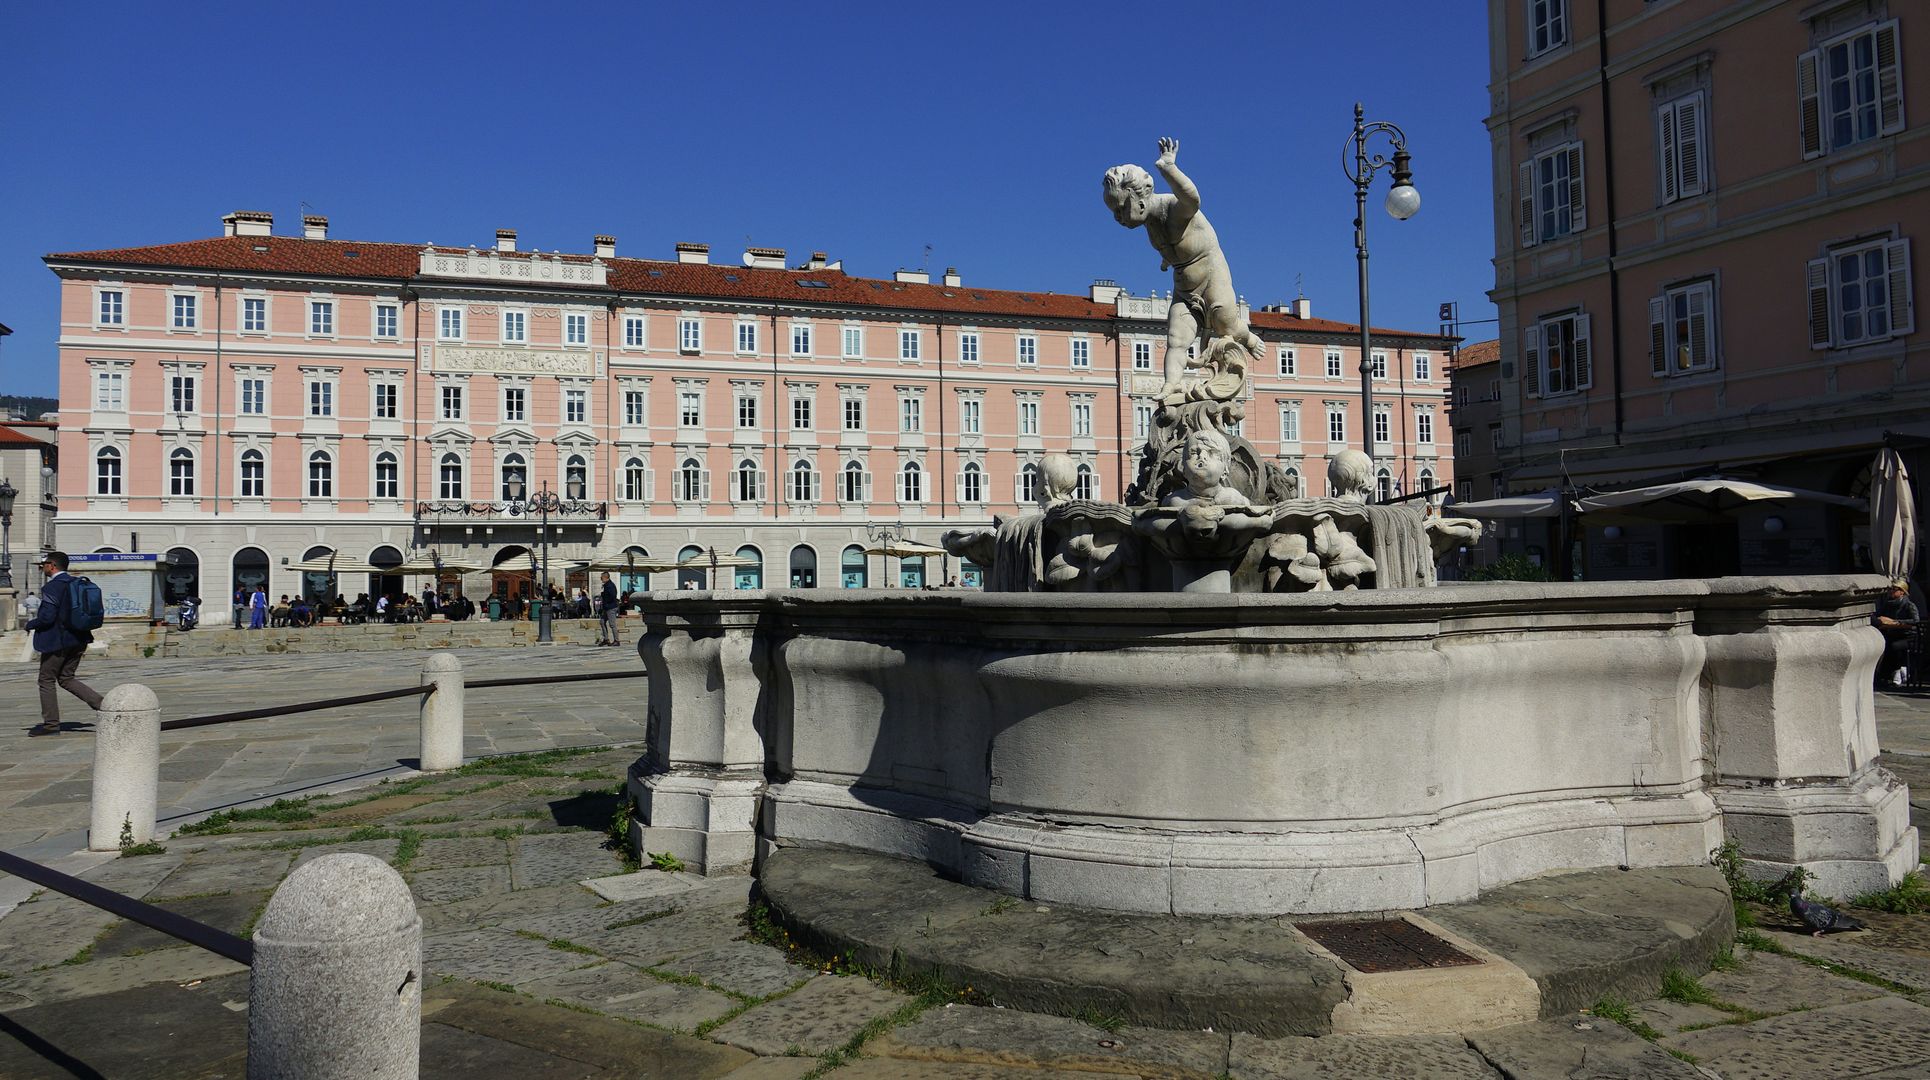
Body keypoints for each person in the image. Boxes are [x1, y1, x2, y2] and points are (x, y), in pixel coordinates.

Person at [1103, 137, 1267, 406]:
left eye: (1120, 209)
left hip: (1211, 274)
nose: (1118, 218)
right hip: (1184, 286)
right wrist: (1167, 260)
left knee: (1225, 321)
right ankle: (1171, 384)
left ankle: (1247, 335)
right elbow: (1171, 248)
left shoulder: (1172, 209)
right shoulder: (1150, 224)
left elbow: (1192, 198)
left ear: (1139, 199)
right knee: (1176, 338)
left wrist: (1169, 168)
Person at [25, 551, 104, 737]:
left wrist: (31, 624)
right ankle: (103, 705)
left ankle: (51, 725)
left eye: (44, 564)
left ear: (52, 565)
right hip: (79, 638)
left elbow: (47, 617)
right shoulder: (77, 583)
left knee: (46, 680)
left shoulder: (53, 587)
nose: (43, 568)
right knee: (66, 678)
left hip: (58, 641)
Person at [1874, 578, 1920, 689]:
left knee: (1894, 646)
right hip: (1892, 634)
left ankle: (1898, 671)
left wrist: (1895, 622)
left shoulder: (1909, 605)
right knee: (1882, 646)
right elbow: (1879, 616)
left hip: (1908, 636)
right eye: (1890, 589)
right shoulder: (1888, 604)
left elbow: (1915, 621)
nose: (1891, 591)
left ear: (1902, 591)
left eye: (1894, 589)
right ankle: (1882, 676)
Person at [596, 571, 620, 646]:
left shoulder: (610, 585)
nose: (600, 579)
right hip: (606, 607)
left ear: (605, 577)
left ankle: (617, 640)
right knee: (602, 621)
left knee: (612, 624)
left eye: (601, 578)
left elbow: (612, 596)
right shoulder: (606, 585)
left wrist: (605, 599)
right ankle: (606, 639)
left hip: (611, 607)